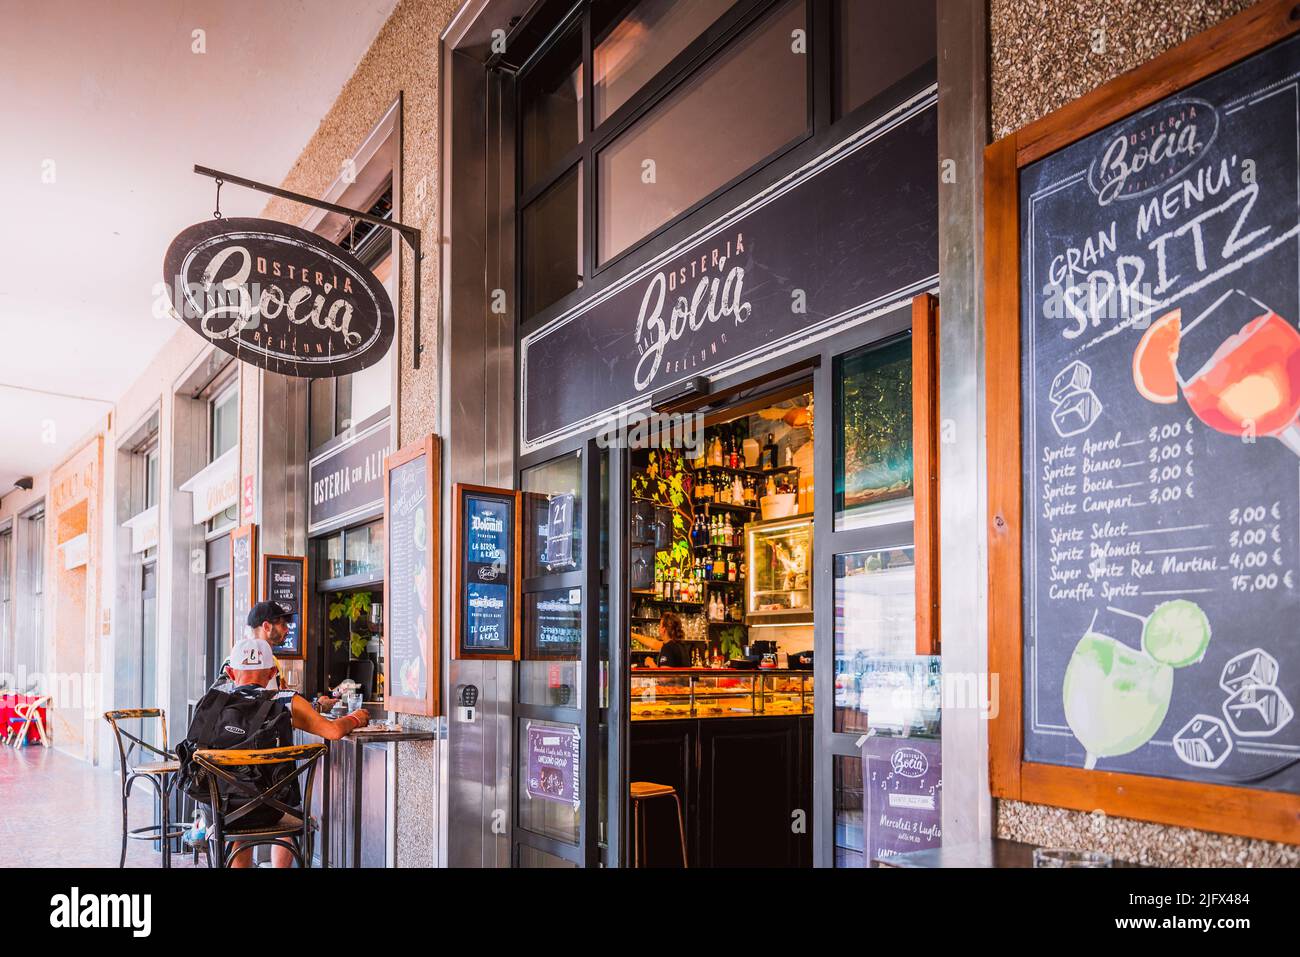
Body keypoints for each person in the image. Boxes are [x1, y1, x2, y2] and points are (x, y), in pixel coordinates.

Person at [182, 636, 369, 867]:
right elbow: (332, 731)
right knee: (291, 808)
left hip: (222, 811)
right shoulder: (286, 701)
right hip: (272, 810)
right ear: (272, 673)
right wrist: (355, 717)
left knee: (233, 817)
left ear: (230, 673)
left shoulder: (210, 703)